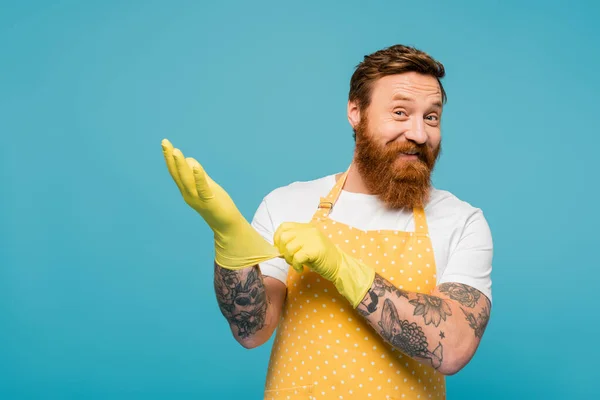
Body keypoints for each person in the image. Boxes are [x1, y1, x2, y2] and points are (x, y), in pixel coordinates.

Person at [161, 44, 493, 400]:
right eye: (400, 112)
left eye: (431, 117)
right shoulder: (288, 204)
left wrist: (342, 268)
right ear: (355, 111)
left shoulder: (462, 221)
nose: (420, 133)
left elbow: (455, 347)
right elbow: (251, 330)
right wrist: (229, 245)